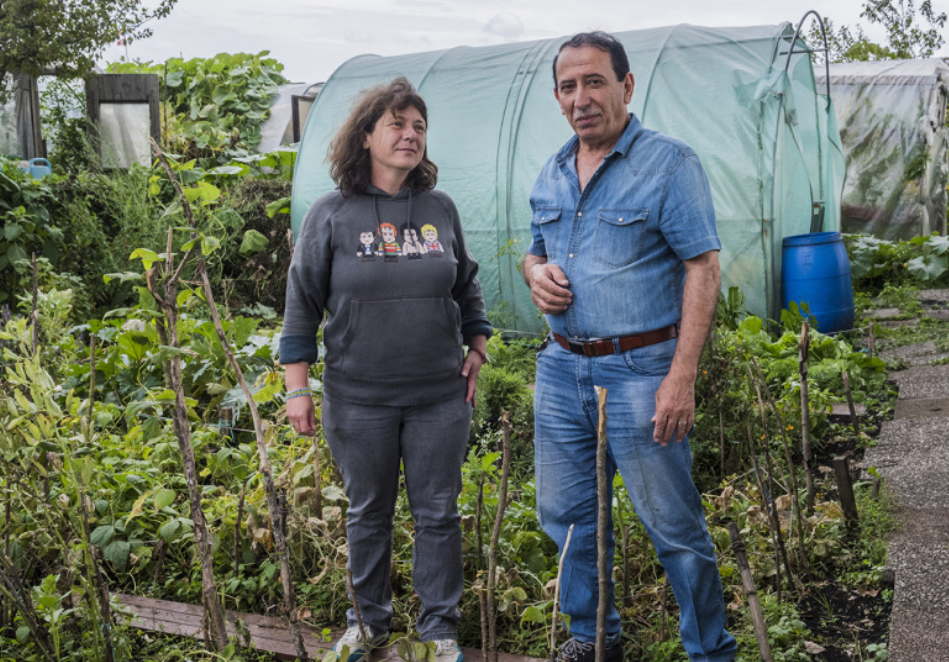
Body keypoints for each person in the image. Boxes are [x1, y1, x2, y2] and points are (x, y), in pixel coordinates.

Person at [522, 32, 737, 662]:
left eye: (594, 82)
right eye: (568, 86)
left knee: (673, 528)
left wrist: (681, 377)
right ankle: (593, 640)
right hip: (563, 370)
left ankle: (709, 650)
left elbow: (703, 267)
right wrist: (536, 274)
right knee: (567, 522)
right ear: (558, 97)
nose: (581, 98)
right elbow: (537, 251)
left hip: (642, 371)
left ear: (625, 85)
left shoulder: (669, 164)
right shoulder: (552, 171)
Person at [281, 76, 492, 662]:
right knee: (368, 513)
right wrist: (296, 389)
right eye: (397, 124)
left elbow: (467, 284)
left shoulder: (438, 208)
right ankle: (368, 622)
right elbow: (301, 303)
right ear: (367, 135)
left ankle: (438, 630)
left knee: (438, 514)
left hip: (438, 398)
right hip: (359, 399)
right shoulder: (331, 215)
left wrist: (477, 345)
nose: (410, 135)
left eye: (419, 126)